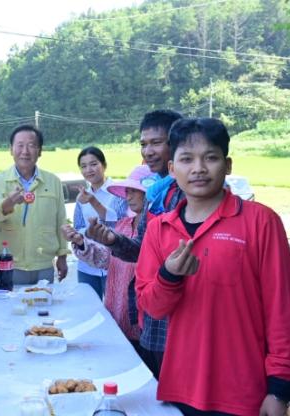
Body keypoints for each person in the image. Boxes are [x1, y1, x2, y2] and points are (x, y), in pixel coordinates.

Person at [136, 118, 290, 415]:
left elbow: (280, 310)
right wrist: (169, 276)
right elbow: (152, 307)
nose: (198, 168)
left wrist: (279, 388)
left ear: (228, 165)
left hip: (245, 391)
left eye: (210, 158)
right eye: (187, 159)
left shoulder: (261, 222)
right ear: (172, 169)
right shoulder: (159, 229)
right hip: (182, 387)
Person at [85, 109, 183, 379]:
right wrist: (113, 240)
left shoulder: (186, 194)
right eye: (143, 144)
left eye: (156, 143)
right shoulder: (157, 195)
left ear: (177, 141)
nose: (148, 151)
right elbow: (142, 249)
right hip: (151, 315)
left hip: (179, 319)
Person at [63, 165, 152, 350]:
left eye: (135, 191)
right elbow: (106, 259)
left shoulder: (157, 229)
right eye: (127, 191)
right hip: (115, 312)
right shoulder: (122, 224)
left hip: (140, 318)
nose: (129, 197)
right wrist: (80, 241)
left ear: (150, 193)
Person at [0, 125, 68, 285]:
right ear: (11, 149)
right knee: (11, 300)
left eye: (31, 145)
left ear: (40, 151)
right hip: (10, 263)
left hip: (44, 264)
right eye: (20, 145)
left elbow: (61, 220)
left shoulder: (53, 181)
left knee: (43, 300)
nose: (25, 151)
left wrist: (62, 256)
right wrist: (8, 202)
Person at [73, 146, 127, 299]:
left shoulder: (117, 192)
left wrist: (93, 201)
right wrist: (80, 234)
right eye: (83, 166)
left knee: (114, 308)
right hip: (87, 265)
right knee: (88, 307)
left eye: (93, 164)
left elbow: (117, 224)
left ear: (104, 165)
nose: (88, 170)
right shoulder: (81, 197)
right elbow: (78, 227)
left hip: (113, 264)